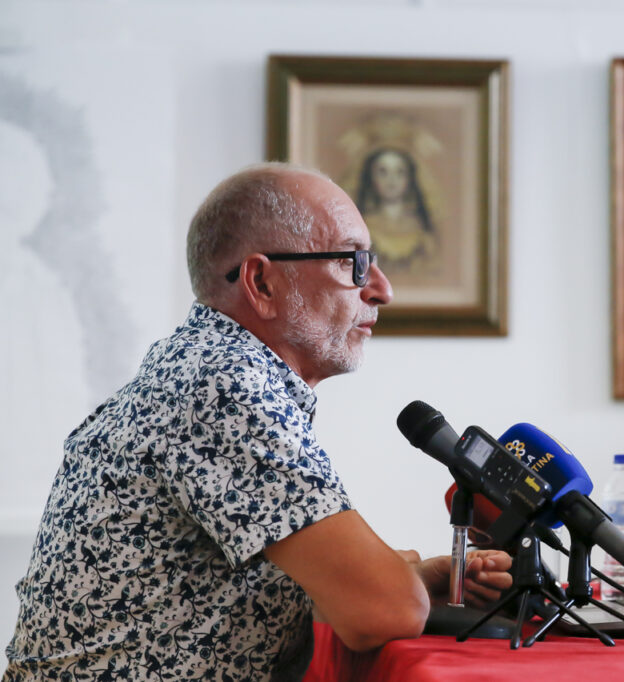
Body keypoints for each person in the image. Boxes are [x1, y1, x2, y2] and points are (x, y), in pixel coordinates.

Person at [3, 163, 512, 681]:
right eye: (351, 262)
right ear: (262, 282)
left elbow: (253, 587)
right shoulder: (222, 386)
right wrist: (402, 584)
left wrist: (417, 575)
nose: (381, 289)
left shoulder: (197, 366)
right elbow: (384, 611)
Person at [354, 147, 438, 270]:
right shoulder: (362, 225)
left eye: (399, 172)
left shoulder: (421, 229)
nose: (391, 179)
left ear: (409, 178)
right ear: (371, 178)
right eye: (383, 172)